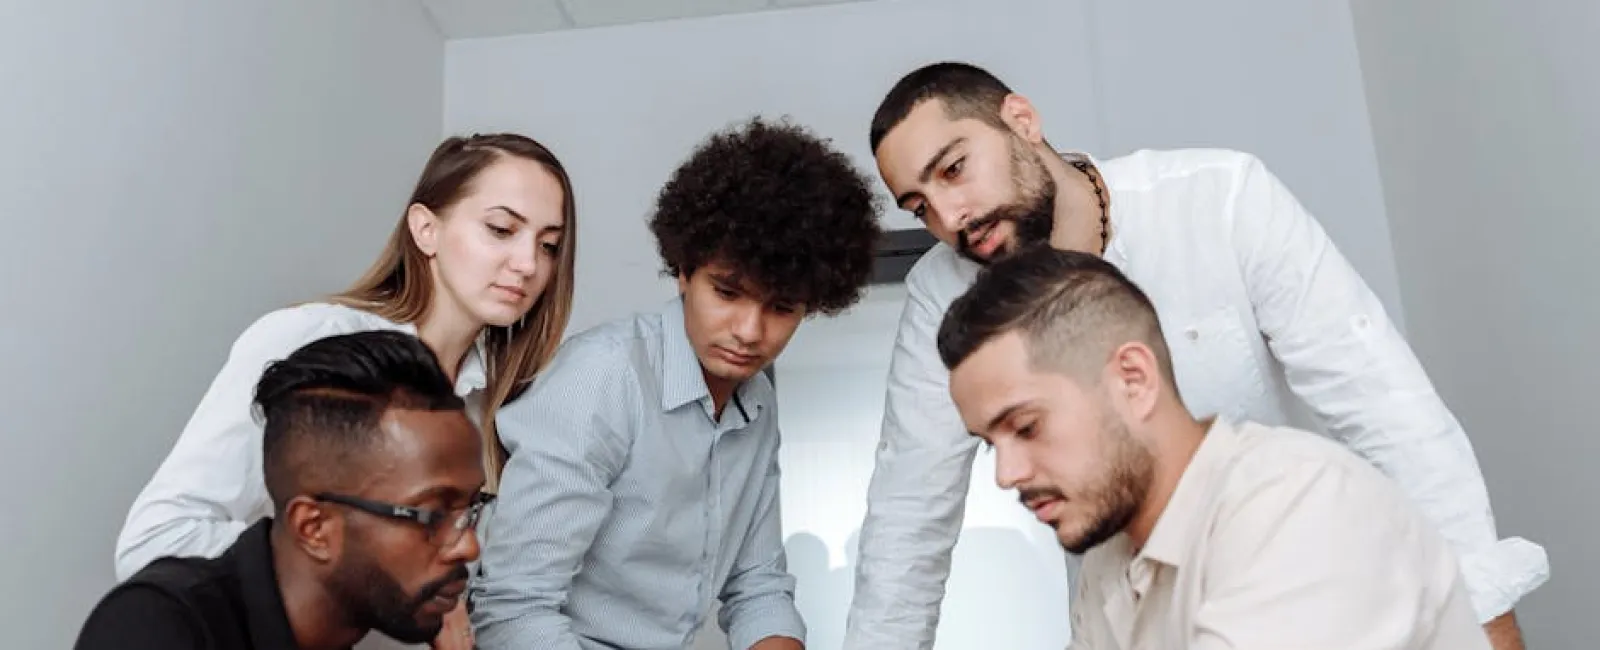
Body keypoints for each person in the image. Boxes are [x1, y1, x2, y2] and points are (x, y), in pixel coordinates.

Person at [846, 61, 1546, 650]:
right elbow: (906, 526)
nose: (950, 219)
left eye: (955, 169)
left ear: (1022, 121)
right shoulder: (941, 292)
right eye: (919, 206)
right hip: (1127, 607)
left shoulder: (1220, 200)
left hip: (1290, 573)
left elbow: (1386, 403)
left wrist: (1484, 613)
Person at [114, 133, 577, 649]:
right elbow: (156, 540)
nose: (528, 264)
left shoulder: (496, 405)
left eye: (548, 245)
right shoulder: (307, 339)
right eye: (501, 229)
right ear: (426, 229)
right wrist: (362, 569)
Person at [935, 247, 1492, 649]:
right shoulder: (1110, 563)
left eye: (1027, 427)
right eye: (990, 445)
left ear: (1133, 379)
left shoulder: (1301, 506)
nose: (1007, 475)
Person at [469, 117, 883, 650]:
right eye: (728, 293)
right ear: (684, 270)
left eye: (782, 308)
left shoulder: (757, 403)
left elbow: (757, 585)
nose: (749, 333)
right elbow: (513, 607)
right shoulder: (604, 376)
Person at [76, 330, 493, 650]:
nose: (467, 546)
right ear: (314, 528)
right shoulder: (157, 627)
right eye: (432, 515)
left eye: (471, 509)